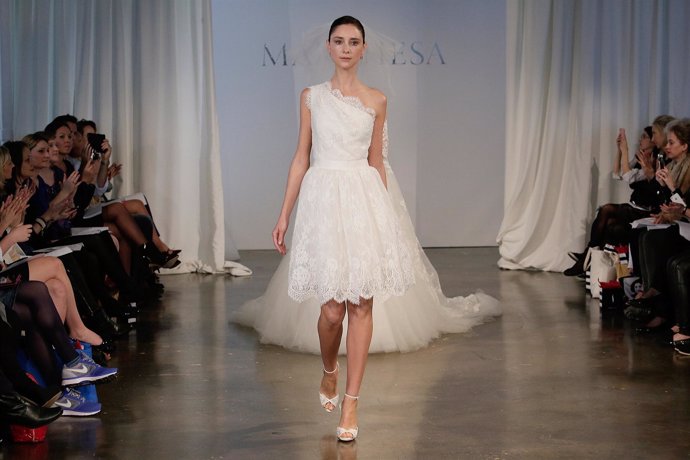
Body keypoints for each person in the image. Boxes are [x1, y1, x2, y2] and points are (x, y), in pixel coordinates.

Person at [233, 16, 500, 442]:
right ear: (328, 47)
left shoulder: (377, 100)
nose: (345, 48)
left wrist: (389, 221)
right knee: (330, 311)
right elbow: (301, 157)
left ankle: (352, 402)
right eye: (338, 41)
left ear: (362, 49)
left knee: (361, 306)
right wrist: (284, 214)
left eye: (353, 41)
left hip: (363, 201)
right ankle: (328, 370)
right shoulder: (311, 98)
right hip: (323, 203)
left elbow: (377, 162)